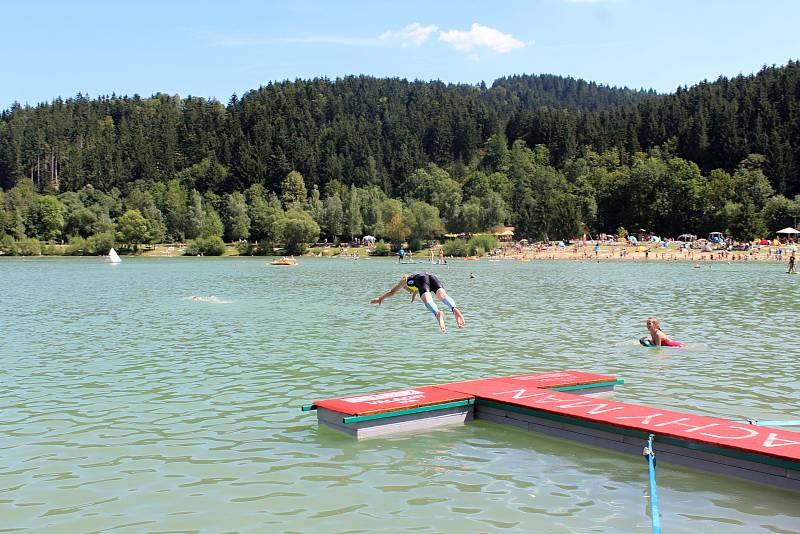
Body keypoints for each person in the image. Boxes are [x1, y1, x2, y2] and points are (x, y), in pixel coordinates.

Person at [371, 272, 465, 332]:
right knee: (443, 296)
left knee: (428, 301)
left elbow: (392, 292)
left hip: (421, 280)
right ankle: (454, 308)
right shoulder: (414, 282)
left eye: (405, 288)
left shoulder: (405, 280)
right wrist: (413, 296)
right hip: (431, 276)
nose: (405, 289)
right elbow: (415, 290)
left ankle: (437, 314)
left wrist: (380, 299)